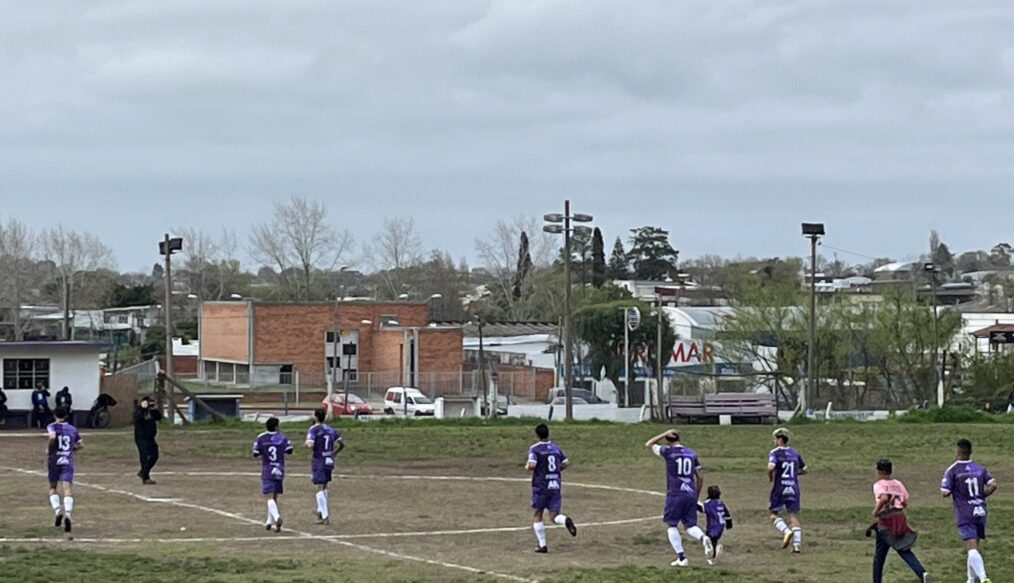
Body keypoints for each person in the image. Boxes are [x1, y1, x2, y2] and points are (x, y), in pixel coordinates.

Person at [645, 429, 713, 567]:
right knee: (690, 525)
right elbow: (700, 476)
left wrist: (664, 433)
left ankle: (682, 558)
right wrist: (696, 494)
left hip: (675, 493)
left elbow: (649, 444)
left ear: (668, 441)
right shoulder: (692, 453)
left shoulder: (668, 452)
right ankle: (703, 537)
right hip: (690, 493)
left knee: (672, 525)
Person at [941, 439, 998, 583]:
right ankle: (970, 580)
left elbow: (945, 492)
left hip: (965, 512)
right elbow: (993, 485)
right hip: (980, 510)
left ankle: (984, 578)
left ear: (958, 452)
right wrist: (981, 495)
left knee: (971, 548)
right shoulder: (979, 468)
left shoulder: (952, 470)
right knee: (974, 547)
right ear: (970, 452)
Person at [868, 459, 931, 583]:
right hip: (899, 519)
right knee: (886, 551)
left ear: (880, 471)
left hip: (886, 521)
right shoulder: (898, 483)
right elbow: (904, 502)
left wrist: (876, 511)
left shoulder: (879, 485)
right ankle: (922, 573)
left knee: (891, 553)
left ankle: (921, 573)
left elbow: (884, 497)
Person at [526, 423, 577, 553]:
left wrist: (527, 467)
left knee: (538, 513)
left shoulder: (535, 449)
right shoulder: (555, 447)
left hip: (541, 485)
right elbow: (566, 462)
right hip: (554, 484)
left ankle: (542, 545)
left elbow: (532, 465)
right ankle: (565, 520)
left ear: (536, 435)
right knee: (554, 516)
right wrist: (556, 471)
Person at [768, 427, 807, 554]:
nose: (774, 441)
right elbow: (805, 469)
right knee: (793, 515)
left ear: (779, 439)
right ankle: (797, 546)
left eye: (775, 439)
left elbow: (771, 466)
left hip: (780, 487)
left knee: (773, 513)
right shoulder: (795, 453)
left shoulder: (774, 452)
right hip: (793, 487)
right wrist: (795, 474)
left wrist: (771, 476)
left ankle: (786, 531)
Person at [253, 417, 293, 533]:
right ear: (276, 426)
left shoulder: (261, 438)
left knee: (269, 496)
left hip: (268, 468)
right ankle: (269, 522)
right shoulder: (282, 437)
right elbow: (289, 450)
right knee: (274, 496)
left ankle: (276, 518)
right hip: (279, 468)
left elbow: (255, 453)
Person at [46, 406, 82, 536]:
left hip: (54, 460)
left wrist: (49, 450)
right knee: (67, 488)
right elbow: (81, 444)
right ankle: (68, 514)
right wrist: (71, 450)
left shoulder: (52, 426)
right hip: (67, 459)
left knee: (53, 486)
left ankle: (57, 511)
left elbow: (52, 437)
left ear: (55, 415)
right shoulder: (72, 429)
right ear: (66, 416)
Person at [305, 408, 343, 525]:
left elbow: (310, 445)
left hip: (319, 460)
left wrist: (307, 444)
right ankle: (321, 511)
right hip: (329, 460)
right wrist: (334, 453)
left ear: (316, 417)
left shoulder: (313, 429)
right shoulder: (331, 429)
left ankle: (325, 516)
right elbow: (341, 444)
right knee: (324, 486)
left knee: (319, 487)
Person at [698, 485, 733, 565]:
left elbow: (702, 508)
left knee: (708, 540)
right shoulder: (720, 503)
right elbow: (728, 515)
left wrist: (693, 501)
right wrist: (729, 525)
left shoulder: (709, 503)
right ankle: (714, 552)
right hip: (721, 527)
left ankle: (713, 554)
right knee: (713, 540)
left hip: (712, 526)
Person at [134, 396, 163, 485]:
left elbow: (159, 417)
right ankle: (145, 477)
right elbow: (137, 418)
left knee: (155, 455)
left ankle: (143, 472)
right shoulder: (138, 411)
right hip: (141, 437)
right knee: (144, 456)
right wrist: (143, 408)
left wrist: (154, 409)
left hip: (150, 437)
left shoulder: (152, 412)